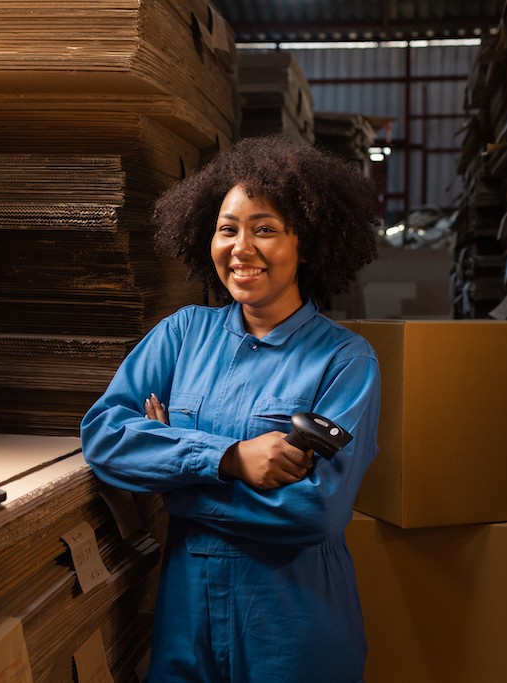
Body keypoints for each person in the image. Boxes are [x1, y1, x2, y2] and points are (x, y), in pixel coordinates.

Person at [80, 134, 381, 682]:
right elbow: (104, 436)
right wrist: (228, 459)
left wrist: (172, 481)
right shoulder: (181, 335)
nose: (241, 248)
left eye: (264, 229)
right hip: (185, 618)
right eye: (227, 229)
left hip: (292, 626)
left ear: (306, 244)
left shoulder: (345, 361)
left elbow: (314, 511)